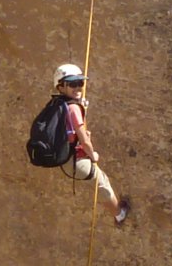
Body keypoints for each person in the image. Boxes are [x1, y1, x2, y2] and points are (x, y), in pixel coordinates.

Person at [53, 63, 130, 226]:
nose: (78, 87)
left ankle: (118, 212)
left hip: (64, 157)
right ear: (60, 87)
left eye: (80, 83)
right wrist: (92, 154)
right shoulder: (73, 108)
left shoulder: (57, 104)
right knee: (102, 183)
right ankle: (119, 214)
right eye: (72, 84)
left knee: (99, 182)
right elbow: (85, 140)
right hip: (74, 162)